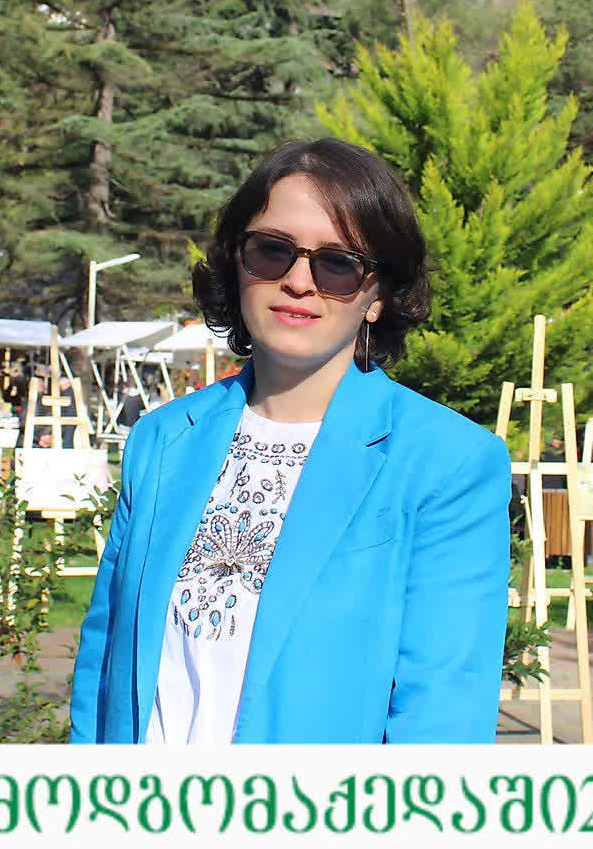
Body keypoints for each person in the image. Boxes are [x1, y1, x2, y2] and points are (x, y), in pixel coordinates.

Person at [70, 138, 510, 744]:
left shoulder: (447, 463)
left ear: (378, 296)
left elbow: (443, 715)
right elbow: (103, 667)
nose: (299, 281)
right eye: (273, 251)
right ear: (238, 264)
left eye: (338, 264)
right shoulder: (164, 440)